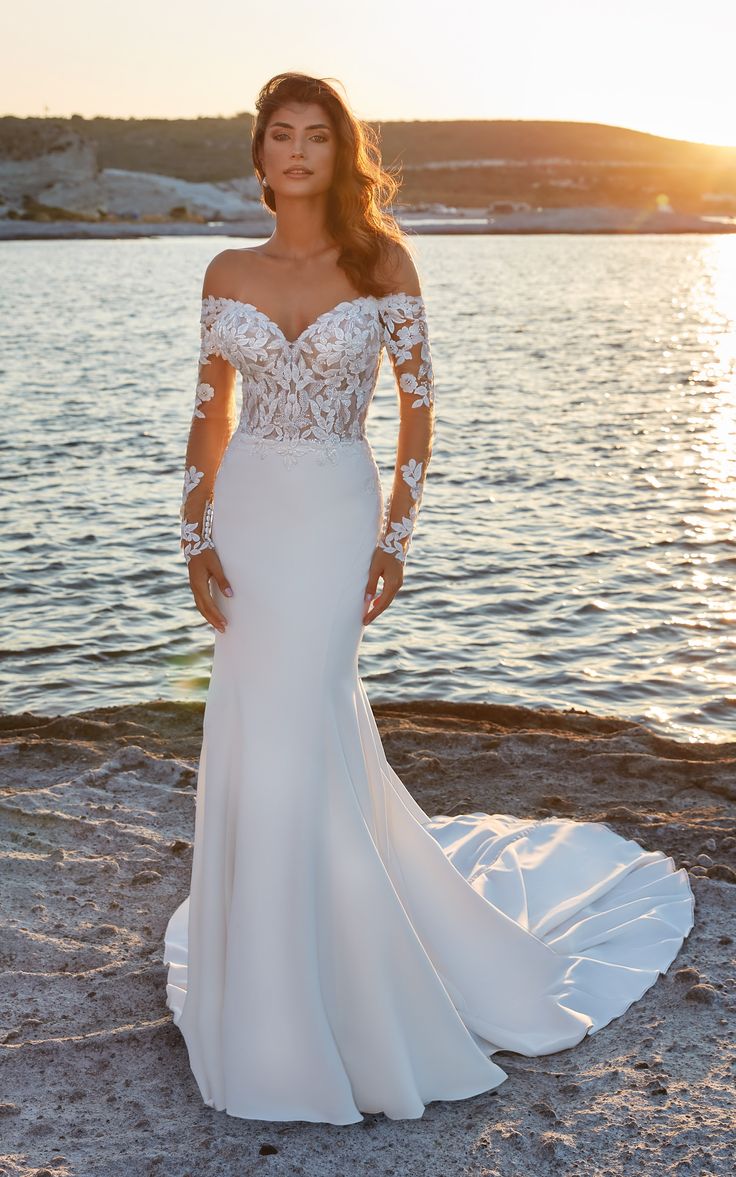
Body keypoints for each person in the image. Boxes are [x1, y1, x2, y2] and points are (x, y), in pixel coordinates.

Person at [163, 72, 695, 1125]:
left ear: (339, 152)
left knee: (304, 720)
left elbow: (418, 410)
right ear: (260, 157)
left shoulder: (383, 262)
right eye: (282, 135)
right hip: (253, 509)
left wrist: (395, 540)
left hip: (334, 510)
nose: (300, 151)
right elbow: (207, 417)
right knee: (254, 723)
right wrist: (195, 537)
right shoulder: (225, 268)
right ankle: (266, 983)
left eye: (320, 135)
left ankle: (340, 983)